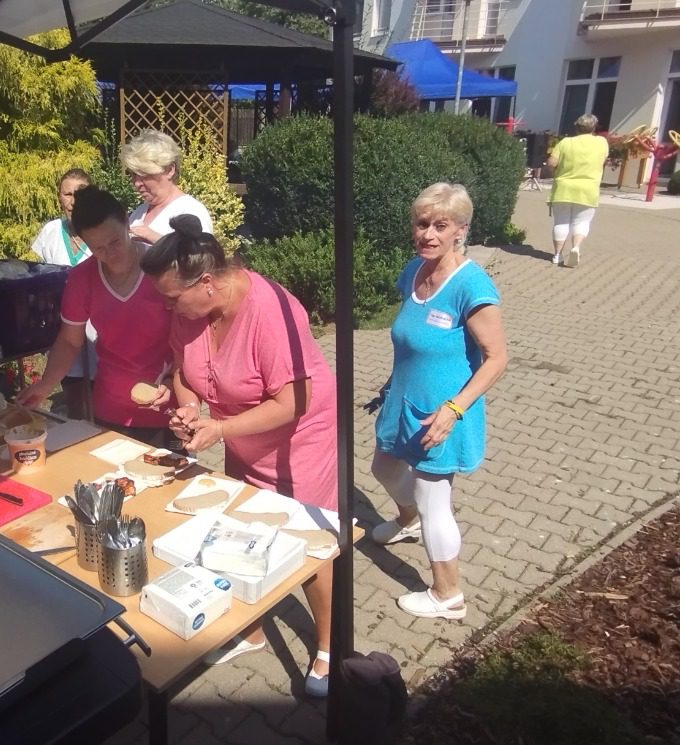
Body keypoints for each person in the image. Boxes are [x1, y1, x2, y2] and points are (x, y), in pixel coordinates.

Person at [140, 214, 338, 698]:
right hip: (240, 436)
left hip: (299, 441)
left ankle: (329, 648)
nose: (167, 306)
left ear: (207, 283)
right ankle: (250, 630)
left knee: (306, 545)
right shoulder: (189, 313)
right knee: (242, 533)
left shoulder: (270, 311)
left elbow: (294, 401)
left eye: (172, 297)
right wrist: (189, 409)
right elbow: (184, 371)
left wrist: (221, 428)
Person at [369, 183, 507, 621]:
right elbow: (413, 339)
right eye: (422, 223)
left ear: (460, 230)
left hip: (444, 412)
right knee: (384, 468)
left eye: (440, 226)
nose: (428, 234)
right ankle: (407, 520)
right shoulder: (414, 271)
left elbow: (497, 358)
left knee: (434, 501)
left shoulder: (471, 286)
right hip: (403, 399)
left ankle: (447, 595)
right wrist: (390, 385)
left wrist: (454, 409)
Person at [17, 186, 174, 446]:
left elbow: (189, 335)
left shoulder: (162, 268)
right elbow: (70, 341)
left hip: (165, 405)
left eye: (115, 242)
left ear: (126, 222)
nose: (110, 254)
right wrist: (46, 384)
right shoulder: (81, 278)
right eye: (98, 248)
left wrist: (174, 379)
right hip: (110, 405)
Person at [31, 168, 98, 419]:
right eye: (67, 194)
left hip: (98, 330)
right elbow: (38, 274)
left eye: (79, 194)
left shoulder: (101, 234)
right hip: (64, 327)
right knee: (73, 392)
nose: (72, 201)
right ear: (59, 197)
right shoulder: (51, 231)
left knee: (101, 394)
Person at [120, 130, 213, 248]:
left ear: (169, 170)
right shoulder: (139, 212)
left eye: (145, 174)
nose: (137, 183)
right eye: (133, 174)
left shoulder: (191, 211)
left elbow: (201, 256)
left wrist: (157, 240)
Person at [547, 113, 608, 268]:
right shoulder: (601, 142)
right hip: (588, 188)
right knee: (582, 221)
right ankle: (576, 247)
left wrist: (556, 172)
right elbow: (602, 160)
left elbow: (552, 163)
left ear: (577, 127)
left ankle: (557, 255)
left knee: (561, 222)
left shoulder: (565, 142)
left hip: (563, 188)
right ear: (594, 127)